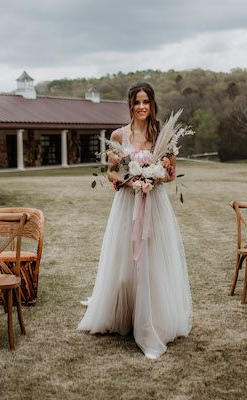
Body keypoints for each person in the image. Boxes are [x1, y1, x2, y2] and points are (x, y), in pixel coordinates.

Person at [77, 82, 192, 359]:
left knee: (153, 262)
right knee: (125, 262)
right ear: (130, 104)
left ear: (152, 104)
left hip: (155, 204)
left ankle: (154, 318)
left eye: (146, 102)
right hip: (128, 204)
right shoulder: (119, 135)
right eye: (137, 102)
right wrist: (132, 182)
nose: (142, 107)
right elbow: (112, 174)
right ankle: (124, 315)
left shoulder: (163, 134)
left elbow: (172, 173)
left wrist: (155, 177)